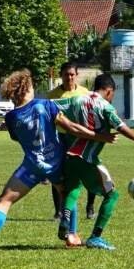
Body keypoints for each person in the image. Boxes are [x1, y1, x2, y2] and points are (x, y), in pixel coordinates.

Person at [0, 69, 115, 253]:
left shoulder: (11, 117)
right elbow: (72, 127)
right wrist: (98, 136)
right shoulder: (45, 105)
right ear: (27, 88)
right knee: (66, 195)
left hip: (32, 165)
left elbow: (16, 138)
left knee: (4, 200)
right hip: (56, 162)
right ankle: (72, 235)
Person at [56, 73, 134, 250]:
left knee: (73, 189)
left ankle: (65, 220)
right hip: (87, 159)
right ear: (109, 91)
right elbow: (121, 127)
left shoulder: (76, 100)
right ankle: (95, 237)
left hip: (70, 156)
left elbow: (51, 106)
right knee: (112, 195)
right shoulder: (105, 107)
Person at [47, 62, 97, 220]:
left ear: (76, 75)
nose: (69, 77)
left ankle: (90, 207)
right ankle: (58, 211)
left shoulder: (85, 93)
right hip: (60, 138)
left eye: (72, 74)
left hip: (81, 138)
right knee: (58, 173)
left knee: (89, 171)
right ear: (61, 76)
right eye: (66, 74)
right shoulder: (52, 96)